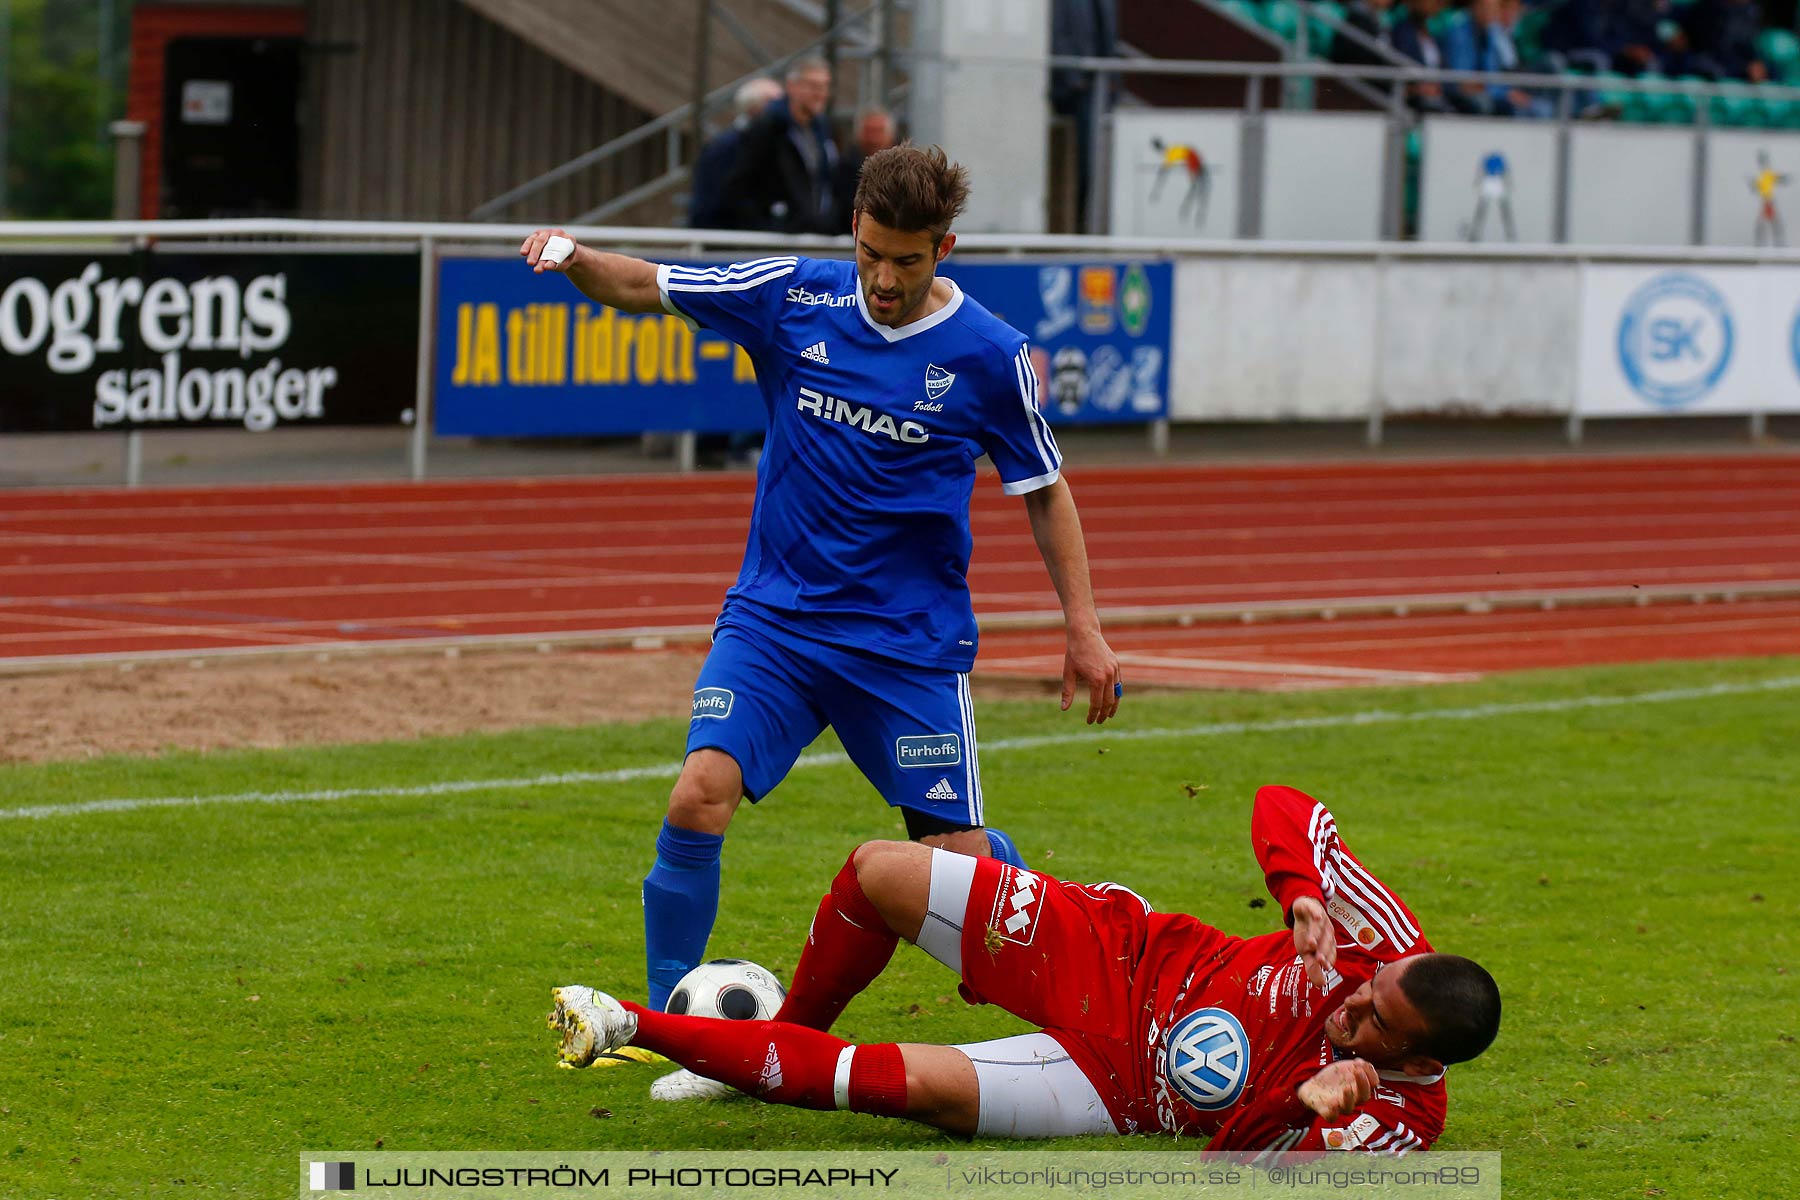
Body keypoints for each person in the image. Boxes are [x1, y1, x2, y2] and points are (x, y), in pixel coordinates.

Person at [520, 144, 1123, 1099]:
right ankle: (673, 1028)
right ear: (855, 231)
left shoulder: (991, 357)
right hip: (776, 625)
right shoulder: (792, 296)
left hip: (906, 650)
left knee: (957, 867)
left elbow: (1044, 492)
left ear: (945, 250)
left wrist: (1083, 628)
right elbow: (652, 286)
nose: (885, 280)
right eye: (872, 254)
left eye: (909, 261)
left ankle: (1086, 940)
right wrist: (574, 257)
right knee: (697, 794)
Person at [548, 784, 1501, 1151]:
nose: (1353, 1014)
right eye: (1366, 998)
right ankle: (786, 1033)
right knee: (878, 872)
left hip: (1114, 1088)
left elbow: (1227, 1172)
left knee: (915, 1086)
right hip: (1121, 955)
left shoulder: (1394, 1126)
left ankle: (628, 1022)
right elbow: (1289, 806)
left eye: (1378, 1028)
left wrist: (1303, 1106)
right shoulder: (1383, 940)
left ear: (1423, 1062)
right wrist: (1297, 888)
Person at [723, 56, 843, 235]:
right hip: (778, 239)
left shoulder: (822, 130)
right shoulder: (767, 129)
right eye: (813, 86)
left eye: (825, 86)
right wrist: (772, 224)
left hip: (813, 234)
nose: (821, 93)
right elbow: (740, 185)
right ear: (792, 86)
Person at [689, 76, 784, 230]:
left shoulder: (767, 142)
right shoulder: (728, 146)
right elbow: (720, 198)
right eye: (775, 103)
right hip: (725, 237)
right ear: (754, 108)